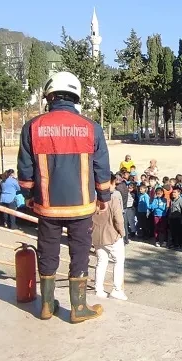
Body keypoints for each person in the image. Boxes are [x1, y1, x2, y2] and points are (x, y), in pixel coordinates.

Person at [17, 71, 111, 323]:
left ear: (49, 96)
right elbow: (101, 168)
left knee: (47, 251)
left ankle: (47, 305)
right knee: (79, 252)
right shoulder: (92, 128)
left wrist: (28, 195)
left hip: (47, 206)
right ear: (76, 96)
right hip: (81, 207)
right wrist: (104, 196)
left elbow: (25, 170)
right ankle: (78, 307)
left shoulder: (33, 127)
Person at [92, 175, 127, 301]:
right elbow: (118, 219)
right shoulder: (113, 198)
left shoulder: (93, 197)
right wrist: (122, 233)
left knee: (101, 262)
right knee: (119, 261)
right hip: (112, 234)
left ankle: (98, 289)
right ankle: (117, 289)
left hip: (96, 234)